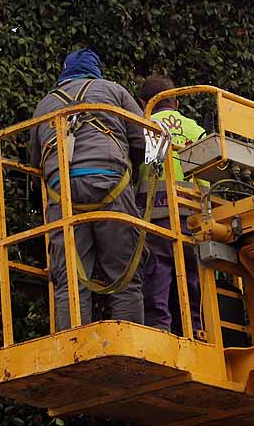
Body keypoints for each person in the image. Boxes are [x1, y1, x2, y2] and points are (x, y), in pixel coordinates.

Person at [29, 49, 146, 330]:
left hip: (61, 193)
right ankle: (129, 344)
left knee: (69, 279)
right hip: (111, 185)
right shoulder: (113, 91)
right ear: (95, 71)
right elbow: (144, 142)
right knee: (125, 275)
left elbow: (35, 165)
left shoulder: (44, 105)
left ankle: (71, 346)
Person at [137, 74, 205, 334]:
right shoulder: (195, 130)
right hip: (195, 217)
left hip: (157, 214)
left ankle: (159, 330)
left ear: (145, 102)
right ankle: (196, 331)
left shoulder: (142, 124)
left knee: (159, 273)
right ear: (176, 103)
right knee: (193, 277)